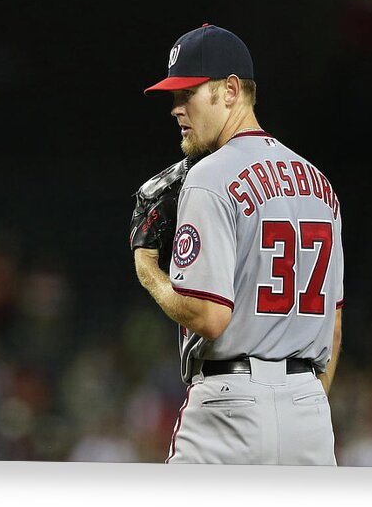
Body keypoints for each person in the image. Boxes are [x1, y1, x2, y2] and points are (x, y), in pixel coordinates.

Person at [133, 23, 344, 465]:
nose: (175, 108)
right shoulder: (320, 185)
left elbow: (209, 317)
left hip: (229, 406)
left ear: (230, 90)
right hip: (309, 411)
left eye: (186, 93)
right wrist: (298, 403)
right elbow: (334, 323)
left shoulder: (209, 176)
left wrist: (149, 271)